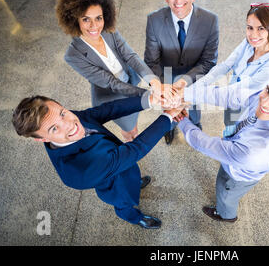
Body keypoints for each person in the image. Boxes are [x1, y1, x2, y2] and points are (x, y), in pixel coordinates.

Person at [12, 93, 184, 229]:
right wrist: (167, 117)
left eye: (63, 113)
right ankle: (136, 218)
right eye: (54, 128)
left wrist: (151, 100)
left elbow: (108, 110)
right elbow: (134, 149)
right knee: (125, 204)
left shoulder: (67, 117)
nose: (69, 124)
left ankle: (136, 182)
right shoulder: (79, 172)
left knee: (132, 177)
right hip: (115, 188)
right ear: (41, 139)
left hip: (125, 166)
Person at [176, 65, 269, 222]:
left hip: (238, 174)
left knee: (226, 194)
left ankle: (225, 215)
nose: (264, 102)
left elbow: (203, 144)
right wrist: (185, 94)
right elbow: (230, 95)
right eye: (268, 91)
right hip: (239, 154)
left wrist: (181, 120)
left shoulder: (253, 153)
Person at [56, 0, 172, 142]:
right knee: (129, 128)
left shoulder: (109, 31)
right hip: (113, 98)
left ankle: (133, 136)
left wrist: (154, 83)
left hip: (131, 83)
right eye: (86, 19)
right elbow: (112, 83)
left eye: (98, 18)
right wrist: (149, 95)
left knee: (134, 121)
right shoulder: (73, 55)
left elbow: (130, 56)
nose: (94, 26)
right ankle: (131, 144)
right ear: (74, 20)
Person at [144, 0, 219, 145]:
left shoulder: (210, 21)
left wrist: (185, 81)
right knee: (168, 111)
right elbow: (151, 61)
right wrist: (165, 88)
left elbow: (209, 61)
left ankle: (195, 123)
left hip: (194, 77)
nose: (178, 0)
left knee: (193, 110)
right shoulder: (154, 20)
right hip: (166, 79)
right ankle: (169, 128)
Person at [192, 3, 269, 137]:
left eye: (261, 28)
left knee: (239, 136)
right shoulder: (248, 44)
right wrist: (198, 85)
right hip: (232, 104)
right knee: (229, 127)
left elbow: (240, 89)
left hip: (250, 112)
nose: (253, 34)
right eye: (250, 28)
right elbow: (225, 66)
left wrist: (194, 94)